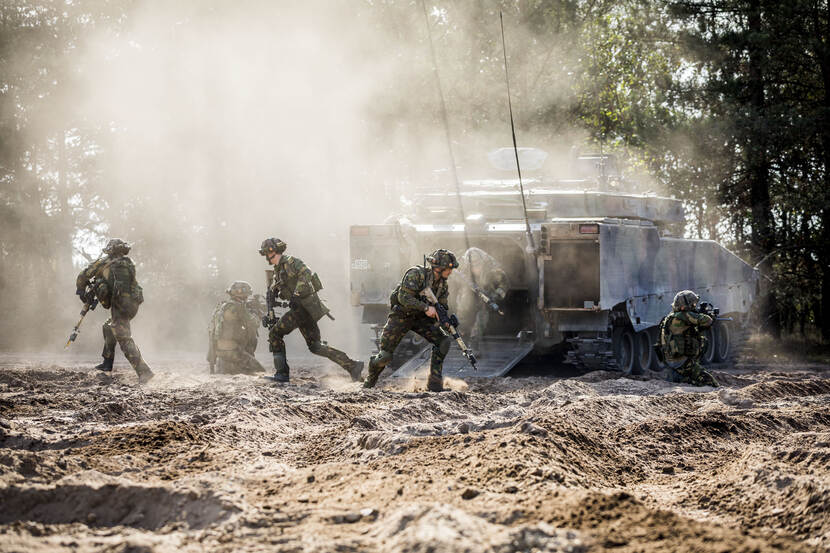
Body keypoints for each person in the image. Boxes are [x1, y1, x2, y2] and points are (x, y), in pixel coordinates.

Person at [259, 238, 363, 383]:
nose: (268, 258)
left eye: (269, 254)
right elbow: (277, 290)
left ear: (276, 252)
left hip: (302, 308)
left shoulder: (290, 262)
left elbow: (306, 273)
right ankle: (353, 366)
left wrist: (296, 294)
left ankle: (282, 374)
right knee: (315, 346)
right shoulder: (278, 270)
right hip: (303, 311)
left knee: (275, 334)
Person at [363, 249, 458, 392]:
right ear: (439, 268)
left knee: (443, 341)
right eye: (449, 269)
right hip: (401, 316)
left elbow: (442, 306)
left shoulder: (442, 285)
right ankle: (369, 382)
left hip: (420, 319)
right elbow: (403, 297)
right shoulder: (416, 274)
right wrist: (426, 308)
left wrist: (445, 320)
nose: (451, 272)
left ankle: (434, 383)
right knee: (385, 356)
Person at [75, 238, 154, 384]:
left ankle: (144, 371)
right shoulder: (129, 263)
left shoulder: (105, 262)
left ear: (110, 250)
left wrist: (81, 291)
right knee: (109, 326)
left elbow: (83, 275)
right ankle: (107, 363)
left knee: (123, 336)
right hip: (132, 305)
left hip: (120, 304)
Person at [452, 247, 509, 352]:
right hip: (468, 292)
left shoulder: (494, 271)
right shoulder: (462, 267)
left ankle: (474, 342)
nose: (476, 268)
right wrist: (463, 281)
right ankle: (463, 337)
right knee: (463, 309)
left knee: (482, 317)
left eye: (478, 265)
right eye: (473, 266)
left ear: (483, 264)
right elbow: (452, 277)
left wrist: (495, 296)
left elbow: (503, 285)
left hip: (486, 294)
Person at [659, 290, 718, 387]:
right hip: (683, 362)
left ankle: (683, 378)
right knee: (711, 383)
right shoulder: (684, 315)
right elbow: (707, 320)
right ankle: (686, 379)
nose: (694, 306)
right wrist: (706, 315)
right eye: (693, 304)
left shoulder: (671, 316)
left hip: (672, 361)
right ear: (686, 305)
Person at [207, 281, 266, 375]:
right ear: (243, 296)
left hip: (219, 352)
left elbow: (212, 331)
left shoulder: (221, 306)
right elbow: (254, 323)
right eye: (246, 296)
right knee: (260, 372)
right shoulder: (239, 307)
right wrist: (257, 313)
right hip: (234, 352)